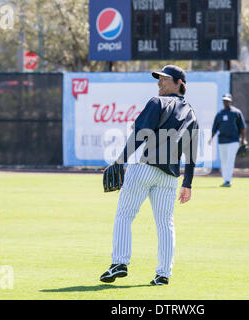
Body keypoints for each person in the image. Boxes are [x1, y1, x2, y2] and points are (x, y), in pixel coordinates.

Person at [100, 65, 199, 286]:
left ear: (179, 83)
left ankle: (119, 263)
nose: (159, 83)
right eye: (159, 79)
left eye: (164, 79)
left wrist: (120, 160)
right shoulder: (191, 113)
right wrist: (187, 184)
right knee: (165, 223)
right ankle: (163, 274)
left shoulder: (157, 103)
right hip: (169, 177)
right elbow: (191, 153)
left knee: (125, 214)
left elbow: (139, 134)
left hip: (144, 167)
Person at [208, 93, 247, 187]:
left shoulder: (236, 112)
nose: (226, 102)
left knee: (230, 160)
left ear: (231, 101)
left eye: (228, 100)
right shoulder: (220, 114)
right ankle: (225, 179)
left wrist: (243, 140)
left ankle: (228, 181)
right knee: (224, 161)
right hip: (222, 141)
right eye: (224, 100)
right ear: (223, 101)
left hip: (233, 140)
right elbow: (215, 128)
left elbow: (242, 128)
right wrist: (211, 138)